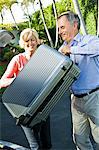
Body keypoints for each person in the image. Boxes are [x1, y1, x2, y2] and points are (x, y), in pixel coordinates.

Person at [0, 28, 52, 150]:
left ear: (37, 41)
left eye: (33, 40)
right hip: (25, 109)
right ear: (23, 43)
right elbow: (2, 82)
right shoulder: (18, 60)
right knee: (36, 146)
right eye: (27, 40)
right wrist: (18, 80)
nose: (30, 43)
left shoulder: (42, 58)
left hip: (42, 106)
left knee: (47, 144)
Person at [58, 11, 99, 150]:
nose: (59, 31)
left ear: (74, 25)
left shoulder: (90, 40)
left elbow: (97, 49)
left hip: (94, 97)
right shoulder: (61, 50)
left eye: (62, 27)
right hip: (76, 100)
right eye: (59, 28)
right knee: (80, 139)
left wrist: (71, 49)